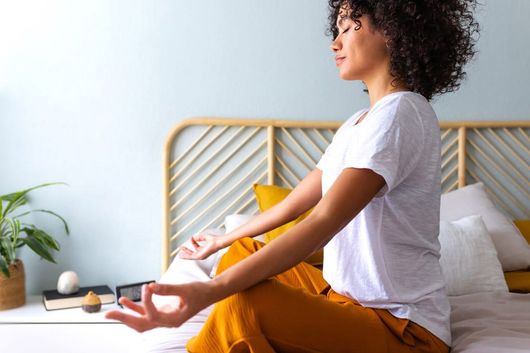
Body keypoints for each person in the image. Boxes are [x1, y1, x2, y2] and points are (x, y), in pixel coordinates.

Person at [106, 1, 479, 352]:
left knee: (247, 305)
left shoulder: (401, 114)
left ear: (394, 32)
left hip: (403, 330)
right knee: (243, 253)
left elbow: (324, 219)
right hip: (344, 298)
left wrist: (211, 291)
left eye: (349, 27)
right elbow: (295, 205)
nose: (335, 43)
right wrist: (220, 242)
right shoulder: (358, 124)